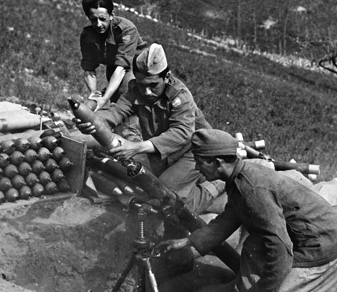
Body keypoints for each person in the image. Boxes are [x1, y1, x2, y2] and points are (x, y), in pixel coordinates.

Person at [158, 128, 337, 292]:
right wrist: (188, 242)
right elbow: (227, 220)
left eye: (199, 162)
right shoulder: (238, 180)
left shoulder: (252, 188)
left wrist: (268, 288)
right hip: (301, 238)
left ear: (216, 162)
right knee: (253, 247)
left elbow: (280, 244)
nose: (196, 168)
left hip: (322, 247)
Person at [75, 42, 225, 215]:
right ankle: (196, 185)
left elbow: (182, 133)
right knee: (154, 190)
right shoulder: (136, 89)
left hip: (194, 152)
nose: (146, 92)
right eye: (141, 84)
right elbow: (116, 112)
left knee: (165, 195)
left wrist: (138, 147)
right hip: (163, 153)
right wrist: (93, 122)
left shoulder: (180, 96)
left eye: (153, 85)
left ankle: (215, 186)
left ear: (166, 77)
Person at [79, 0, 146, 111]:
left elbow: (122, 68)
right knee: (114, 104)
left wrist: (104, 99)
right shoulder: (87, 35)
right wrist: (94, 93)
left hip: (138, 67)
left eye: (102, 19)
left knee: (124, 95)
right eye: (94, 19)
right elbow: (89, 68)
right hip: (114, 67)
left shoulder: (126, 29)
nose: (98, 24)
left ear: (111, 15)